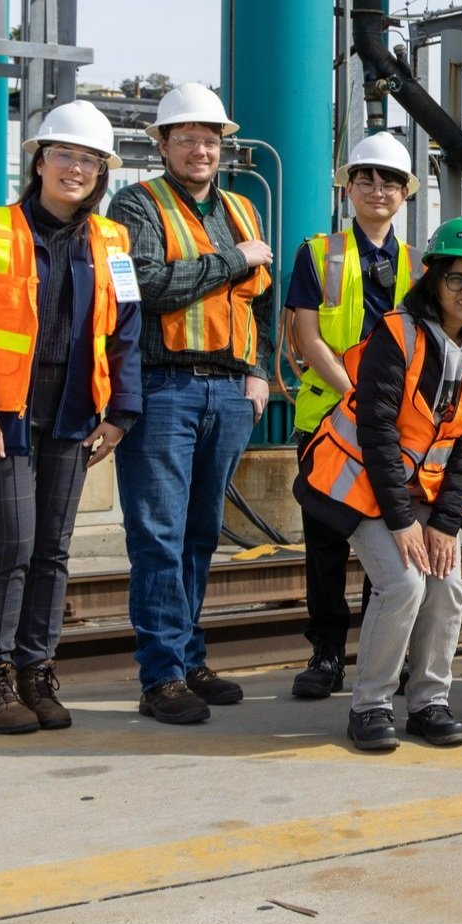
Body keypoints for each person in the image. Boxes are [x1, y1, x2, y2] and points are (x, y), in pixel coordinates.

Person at [0, 101, 142, 736]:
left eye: (89, 160)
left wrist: (122, 412)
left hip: (75, 413)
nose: (76, 169)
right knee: (13, 546)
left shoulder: (113, 241)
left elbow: (126, 331)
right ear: (39, 160)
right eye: (65, 155)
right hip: (6, 414)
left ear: (103, 172)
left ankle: (36, 673)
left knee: (52, 551)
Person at [294, 216, 462, 751]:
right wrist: (403, 523)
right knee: (404, 583)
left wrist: (446, 525)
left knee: (448, 583)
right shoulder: (398, 331)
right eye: (456, 278)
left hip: (426, 492)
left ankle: (429, 701)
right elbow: (378, 432)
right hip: (362, 483)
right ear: (432, 278)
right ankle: (369, 705)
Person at [105, 82, 276, 726]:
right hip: (164, 385)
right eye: (187, 138)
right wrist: (232, 260)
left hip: (230, 389)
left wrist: (259, 371)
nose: (200, 149)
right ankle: (162, 676)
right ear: (162, 143)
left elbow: (258, 300)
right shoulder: (136, 203)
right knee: (158, 535)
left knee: (201, 533)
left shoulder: (239, 207)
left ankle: (189, 655)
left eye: (210, 139)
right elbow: (144, 284)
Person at [284, 132, 419, 701]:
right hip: (328, 424)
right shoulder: (319, 252)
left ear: (405, 192)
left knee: (388, 547)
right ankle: (326, 655)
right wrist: (355, 398)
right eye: (366, 177)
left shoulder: (419, 263)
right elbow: (306, 336)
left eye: (389, 180)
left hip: (393, 430)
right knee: (325, 546)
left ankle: (381, 655)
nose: (377, 189)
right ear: (348, 187)